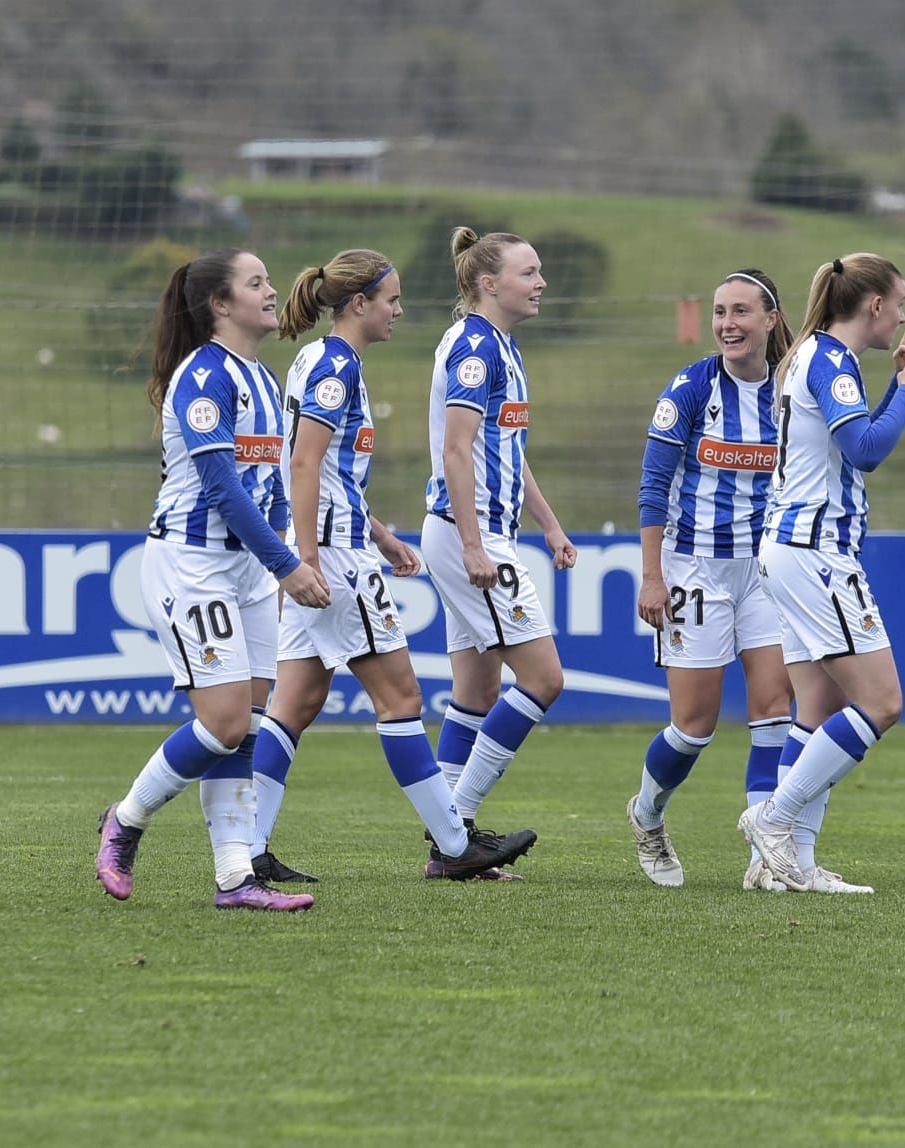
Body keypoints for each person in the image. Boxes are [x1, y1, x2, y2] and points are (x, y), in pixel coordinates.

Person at [236, 248, 536, 885]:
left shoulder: (325, 362)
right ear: (359, 304)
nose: (401, 310)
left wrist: (383, 535)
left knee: (295, 703)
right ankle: (455, 846)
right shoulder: (335, 367)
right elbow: (303, 466)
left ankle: (248, 849)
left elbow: (331, 471)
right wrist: (307, 564)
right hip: (332, 558)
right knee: (401, 698)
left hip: (339, 542)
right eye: (392, 300)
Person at [94, 248, 330, 912]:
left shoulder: (258, 375)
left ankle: (236, 880)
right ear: (220, 305)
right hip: (193, 566)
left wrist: (279, 558)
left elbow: (272, 487)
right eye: (255, 283)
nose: (271, 290)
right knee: (224, 722)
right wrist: (291, 567)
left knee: (246, 724)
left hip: (247, 572)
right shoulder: (203, 376)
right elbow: (224, 490)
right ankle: (126, 821)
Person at [737, 253, 905, 893]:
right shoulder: (829, 360)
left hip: (792, 548)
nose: (903, 314)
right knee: (882, 702)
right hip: (815, 552)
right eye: (898, 301)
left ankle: (793, 863)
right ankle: (774, 819)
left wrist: (892, 387)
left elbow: (845, 441)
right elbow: (866, 450)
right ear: (873, 305)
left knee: (818, 707)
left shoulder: (817, 358)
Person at [628, 269, 796, 890]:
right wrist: (651, 576)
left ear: (771, 319)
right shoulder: (693, 387)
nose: (728, 323)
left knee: (774, 709)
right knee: (695, 727)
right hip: (693, 567)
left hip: (765, 571)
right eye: (721, 312)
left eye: (741, 312)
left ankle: (766, 854)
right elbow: (651, 486)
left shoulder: (790, 389)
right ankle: (647, 814)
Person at [420, 228, 576, 860]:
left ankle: (446, 845)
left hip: (481, 532)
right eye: (529, 272)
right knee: (544, 679)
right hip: (470, 537)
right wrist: (474, 543)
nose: (541, 283)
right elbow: (456, 451)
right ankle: (454, 833)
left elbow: (504, 451)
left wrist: (549, 522)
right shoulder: (476, 352)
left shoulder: (503, 348)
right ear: (489, 284)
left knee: (477, 695)